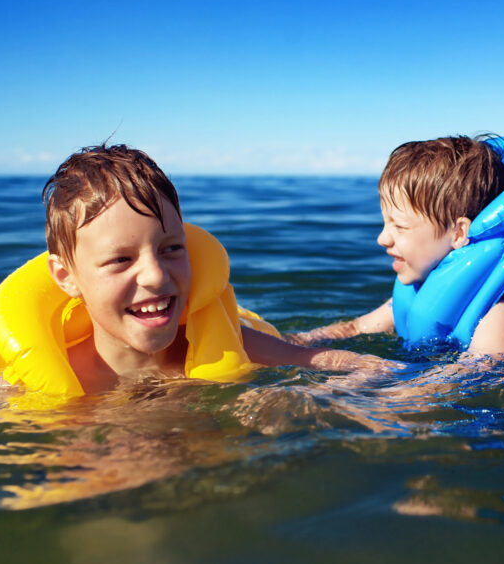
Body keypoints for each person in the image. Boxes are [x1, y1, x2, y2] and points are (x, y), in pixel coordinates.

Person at [42, 143, 390, 394]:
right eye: (121, 259)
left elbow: (328, 361)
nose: (156, 276)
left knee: (299, 339)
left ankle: (374, 318)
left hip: (258, 332)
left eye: (171, 249)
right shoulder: (48, 380)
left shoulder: (234, 344)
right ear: (65, 276)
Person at [290, 135, 504, 357]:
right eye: (384, 223)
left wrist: (374, 394)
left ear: (459, 233)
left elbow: (484, 382)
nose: (382, 237)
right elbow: (356, 328)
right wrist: (297, 342)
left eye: (400, 226)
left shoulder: (496, 312)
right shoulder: (418, 291)